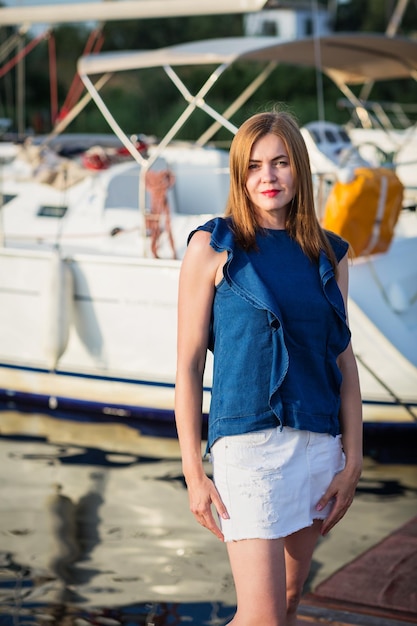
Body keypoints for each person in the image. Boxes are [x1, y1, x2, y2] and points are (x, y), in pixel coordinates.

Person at [174, 110, 363, 626]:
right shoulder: (212, 246)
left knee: (289, 599)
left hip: (319, 446)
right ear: (239, 175)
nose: (268, 177)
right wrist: (194, 472)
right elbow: (188, 366)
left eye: (280, 163)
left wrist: (353, 461)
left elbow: (342, 360)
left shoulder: (329, 254)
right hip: (248, 448)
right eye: (254, 166)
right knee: (263, 618)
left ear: (299, 168)